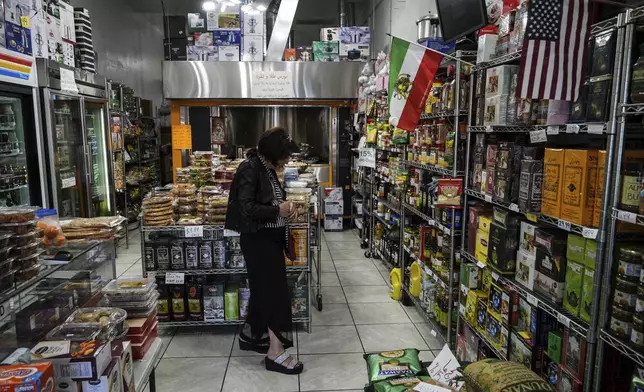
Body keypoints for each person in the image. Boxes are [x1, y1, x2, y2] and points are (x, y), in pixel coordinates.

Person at [224, 127, 303, 375]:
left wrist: (287, 207)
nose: (289, 159)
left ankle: (253, 337)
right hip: (258, 241)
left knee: (263, 292)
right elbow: (247, 207)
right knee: (274, 293)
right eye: (286, 154)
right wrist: (277, 211)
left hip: (269, 239)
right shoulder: (250, 169)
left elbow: (268, 201)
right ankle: (275, 353)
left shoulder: (266, 167)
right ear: (274, 152)